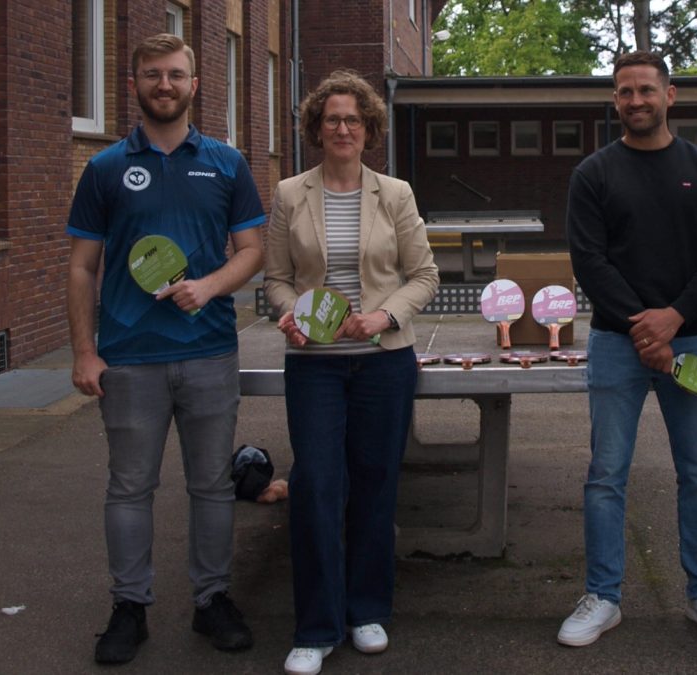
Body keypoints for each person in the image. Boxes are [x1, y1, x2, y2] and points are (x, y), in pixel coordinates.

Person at [66, 34, 264, 665]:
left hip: (209, 350)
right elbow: (81, 267)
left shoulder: (227, 163)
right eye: (152, 74)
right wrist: (84, 352)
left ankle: (212, 600)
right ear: (134, 84)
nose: (165, 85)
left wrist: (208, 286)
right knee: (130, 487)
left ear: (194, 85)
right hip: (128, 357)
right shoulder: (104, 169)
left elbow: (252, 251)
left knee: (211, 485)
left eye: (176, 74)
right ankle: (129, 607)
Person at [560, 51, 697, 648]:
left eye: (646, 89)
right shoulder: (593, 174)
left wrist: (673, 319)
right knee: (605, 474)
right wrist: (644, 330)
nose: (636, 100)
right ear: (615, 100)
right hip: (616, 344)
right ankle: (603, 596)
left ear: (671, 95)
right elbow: (589, 260)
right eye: (625, 91)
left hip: (693, 339)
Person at [264, 69, 439, 675]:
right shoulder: (290, 194)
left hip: (381, 363)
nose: (343, 128)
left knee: (374, 484)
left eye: (353, 120)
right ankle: (315, 628)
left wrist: (383, 317)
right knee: (316, 486)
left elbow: (425, 275)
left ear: (369, 129)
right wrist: (290, 315)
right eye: (332, 119)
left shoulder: (395, 193)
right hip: (314, 366)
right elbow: (277, 279)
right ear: (317, 128)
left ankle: (366, 611)